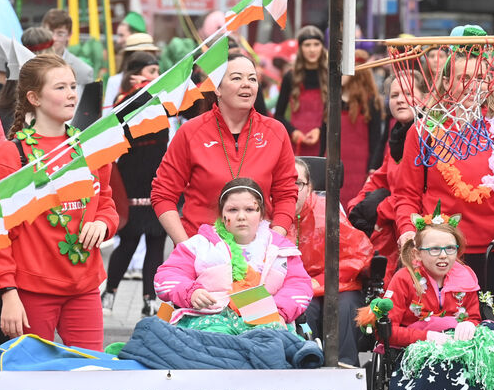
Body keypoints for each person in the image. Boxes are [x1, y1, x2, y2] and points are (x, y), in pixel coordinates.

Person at [0, 53, 122, 390]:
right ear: (33, 98)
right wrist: (7, 290)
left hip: (84, 287)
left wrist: (103, 224)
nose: (70, 94)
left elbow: (109, 207)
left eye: (72, 86)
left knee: (93, 385)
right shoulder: (10, 156)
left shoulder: (88, 148)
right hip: (31, 289)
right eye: (60, 87)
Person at [393, 39, 494, 317]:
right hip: (435, 254)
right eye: (464, 78)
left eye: (479, 78)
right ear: (446, 82)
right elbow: (406, 195)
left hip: (491, 255)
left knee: (489, 335)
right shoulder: (423, 133)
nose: (472, 86)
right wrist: (407, 229)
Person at [152, 53, 297, 243]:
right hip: (202, 250)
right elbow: (162, 194)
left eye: (252, 79)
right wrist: (185, 246)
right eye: (237, 78)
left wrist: (273, 242)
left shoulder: (275, 131)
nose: (247, 84)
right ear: (217, 88)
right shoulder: (191, 132)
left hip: (259, 251)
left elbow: (286, 193)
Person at [154, 177, 313, 332]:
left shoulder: (281, 250)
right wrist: (190, 292)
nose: (241, 216)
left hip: (267, 322)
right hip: (209, 320)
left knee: (271, 339)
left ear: (261, 213)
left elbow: (299, 286)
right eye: (233, 210)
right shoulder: (200, 245)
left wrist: (279, 311)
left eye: (250, 209)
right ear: (221, 214)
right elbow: (167, 276)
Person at [103, 52, 168, 316]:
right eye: (151, 71)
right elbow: (117, 122)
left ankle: (150, 299)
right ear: (135, 74)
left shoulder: (163, 97)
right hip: (131, 176)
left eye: (157, 71)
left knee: (156, 240)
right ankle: (109, 292)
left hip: (159, 175)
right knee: (128, 240)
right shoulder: (123, 100)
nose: (156, 76)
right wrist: (137, 90)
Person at [291, 158, 372, 364]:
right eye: (284, 181)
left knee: (346, 307)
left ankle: (345, 365)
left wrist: (318, 282)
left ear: (309, 187)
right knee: (303, 310)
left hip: (337, 282)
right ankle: (306, 361)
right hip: (294, 287)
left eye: (298, 183)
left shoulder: (327, 210)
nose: (291, 189)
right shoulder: (263, 214)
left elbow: (356, 256)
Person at [349, 69, 418, 263]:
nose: (400, 100)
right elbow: (380, 176)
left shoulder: (429, 136)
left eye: (408, 94)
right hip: (390, 224)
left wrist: (379, 209)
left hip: (413, 227)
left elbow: (417, 192)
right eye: (394, 95)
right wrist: (357, 204)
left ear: (425, 99)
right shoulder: (396, 136)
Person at [384, 213, 481, 349]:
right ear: (417, 253)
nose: (443, 255)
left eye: (450, 248)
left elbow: (475, 318)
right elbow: (385, 332)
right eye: (434, 249)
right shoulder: (403, 279)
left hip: (458, 350)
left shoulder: (465, 279)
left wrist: (470, 324)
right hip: (414, 353)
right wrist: (427, 337)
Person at [274, 26, 328, 157]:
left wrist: (320, 131)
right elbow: (279, 115)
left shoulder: (330, 76)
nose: (312, 49)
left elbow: (337, 115)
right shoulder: (290, 77)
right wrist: (293, 132)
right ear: (300, 48)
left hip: (324, 141)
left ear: (322, 47)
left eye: (316, 44)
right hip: (296, 143)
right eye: (307, 45)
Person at [339, 58, 385, 202]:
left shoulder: (371, 102)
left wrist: (372, 167)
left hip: (359, 163)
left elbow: (376, 138)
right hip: (337, 158)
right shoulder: (334, 98)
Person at [41, 8, 96, 86]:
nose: (54, 38)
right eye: (49, 32)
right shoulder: (28, 64)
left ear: (69, 35)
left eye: (60, 34)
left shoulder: (83, 71)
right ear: (42, 31)